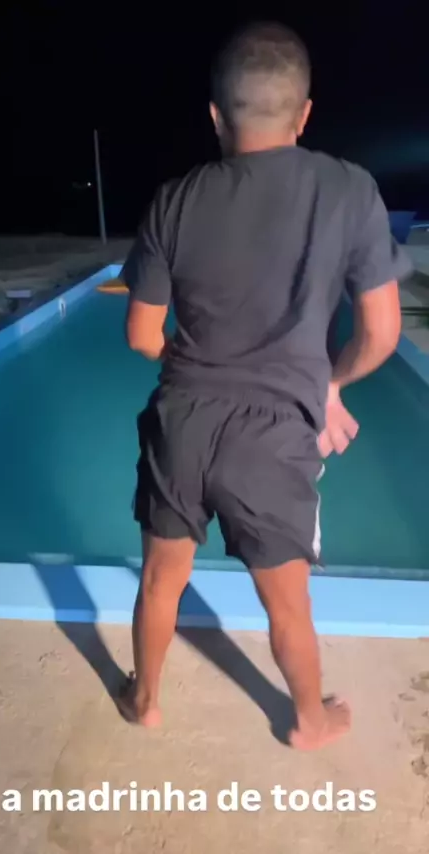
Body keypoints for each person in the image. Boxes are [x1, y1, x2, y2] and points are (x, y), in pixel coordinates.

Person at [118, 22, 410, 750]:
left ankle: (145, 700)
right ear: (304, 113)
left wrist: (190, 363)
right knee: (286, 603)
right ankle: (308, 720)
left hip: (182, 418)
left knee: (160, 579)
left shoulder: (175, 199)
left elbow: (142, 337)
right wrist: (327, 382)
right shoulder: (349, 189)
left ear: (216, 115)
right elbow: (381, 333)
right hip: (274, 435)